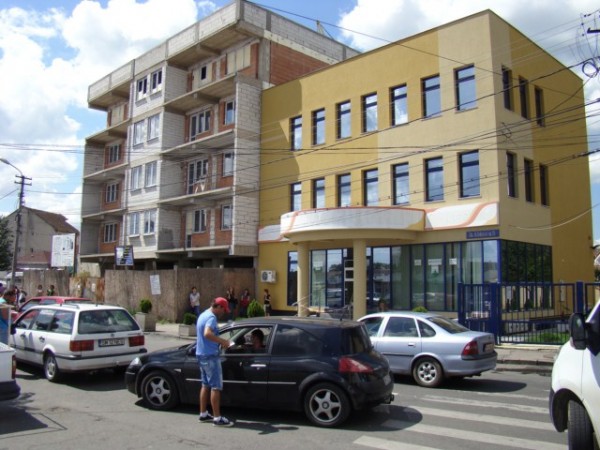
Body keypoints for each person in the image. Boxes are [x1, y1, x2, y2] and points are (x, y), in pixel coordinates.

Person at [196, 297, 234, 427]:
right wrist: (223, 341)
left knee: (205, 385)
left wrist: (218, 342)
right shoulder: (211, 318)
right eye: (223, 309)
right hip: (210, 356)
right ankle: (217, 418)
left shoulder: (203, 315)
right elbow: (207, 334)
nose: (223, 312)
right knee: (216, 386)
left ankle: (203, 414)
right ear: (218, 306)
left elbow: (205, 336)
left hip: (201, 354)